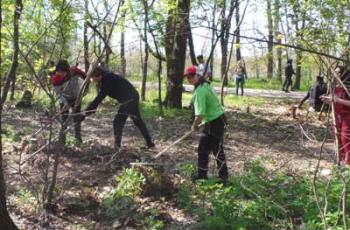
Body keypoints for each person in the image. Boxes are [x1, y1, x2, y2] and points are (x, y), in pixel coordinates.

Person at [77, 66, 155, 150]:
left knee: (119, 122)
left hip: (129, 99)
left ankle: (117, 147)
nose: (93, 80)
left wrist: (85, 113)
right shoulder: (106, 77)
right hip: (129, 98)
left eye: (93, 78)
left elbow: (98, 99)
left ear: (99, 76)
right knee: (135, 121)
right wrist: (87, 112)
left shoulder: (107, 82)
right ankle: (149, 143)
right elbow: (98, 98)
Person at [184, 65, 229, 183]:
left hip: (214, 121)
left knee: (203, 148)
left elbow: (200, 115)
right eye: (187, 76)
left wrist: (194, 126)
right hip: (219, 119)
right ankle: (224, 176)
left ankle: (202, 176)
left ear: (198, 75)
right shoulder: (206, 85)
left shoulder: (200, 91)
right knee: (217, 149)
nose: (189, 78)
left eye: (192, 75)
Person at [50, 60, 88, 143]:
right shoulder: (55, 79)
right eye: (59, 72)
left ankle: (78, 139)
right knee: (64, 119)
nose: (61, 74)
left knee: (77, 117)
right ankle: (62, 140)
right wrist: (65, 103)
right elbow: (59, 93)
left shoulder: (75, 71)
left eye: (63, 71)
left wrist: (86, 89)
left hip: (76, 98)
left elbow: (87, 78)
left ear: (68, 70)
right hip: (65, 98)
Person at [321, 66, 350, 165]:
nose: (335, 74)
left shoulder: (348, 86)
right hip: (337, 115)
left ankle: (348, 162)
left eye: (338, 72)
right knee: (337, 137)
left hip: (347, 115)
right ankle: (341, 160)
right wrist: (328, 99)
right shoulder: (333, 86)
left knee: (345, 138)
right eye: (335, 72)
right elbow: (334, 100)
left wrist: (337, 100)